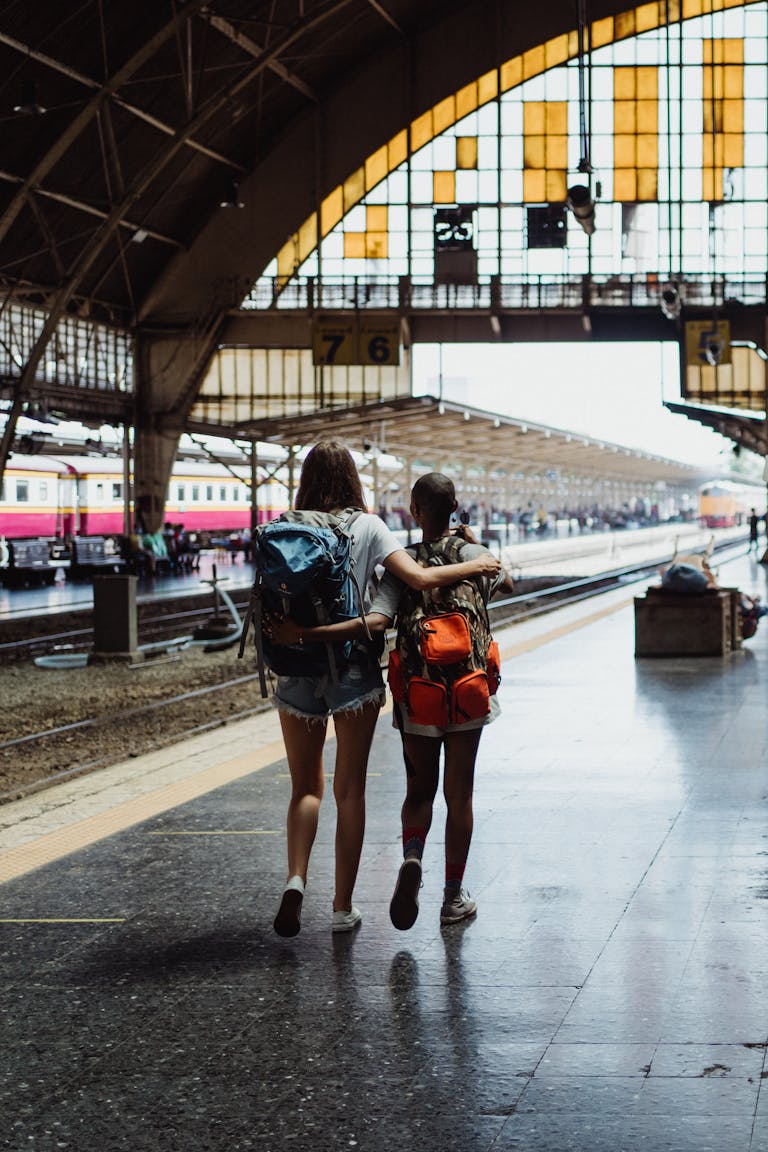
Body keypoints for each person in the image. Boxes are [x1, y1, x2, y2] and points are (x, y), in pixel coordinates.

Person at [264, 443, 501, 939]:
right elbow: (482, 583)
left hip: (320, 677)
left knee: (308, 788)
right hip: (383, 678)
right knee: (361, 791)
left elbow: (381, 607)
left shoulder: (288, 523)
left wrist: (301, 637)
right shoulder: (372, 528)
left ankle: (296, 881)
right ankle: (356, 905)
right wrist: (475, 558)